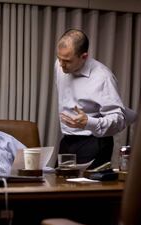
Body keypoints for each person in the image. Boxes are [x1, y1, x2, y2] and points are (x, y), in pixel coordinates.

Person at [55, 28, 136, 169]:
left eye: (67, 61)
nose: (61, 65)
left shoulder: (102, 78)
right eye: (59, 58)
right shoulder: (60, 65)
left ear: (84, 57)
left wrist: (89, 122)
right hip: (68, 140)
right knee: (58, 185)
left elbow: (118, 119)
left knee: (86, 190)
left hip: (94, 142)